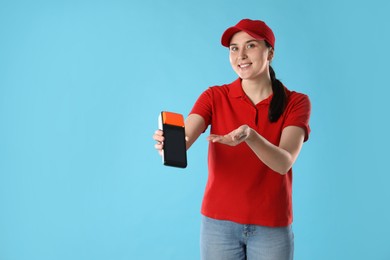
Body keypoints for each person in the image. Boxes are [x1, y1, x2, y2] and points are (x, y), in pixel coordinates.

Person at [153, 18, 311, 260]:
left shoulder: (296, 102)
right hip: (218, 225)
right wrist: (170, 143)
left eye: (251, 46)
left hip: (271, 227)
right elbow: (186, 135)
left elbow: (284, 162)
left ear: (270, 53)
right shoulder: (214, 96)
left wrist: (251, 136)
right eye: (234, 48)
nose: (241, 55)